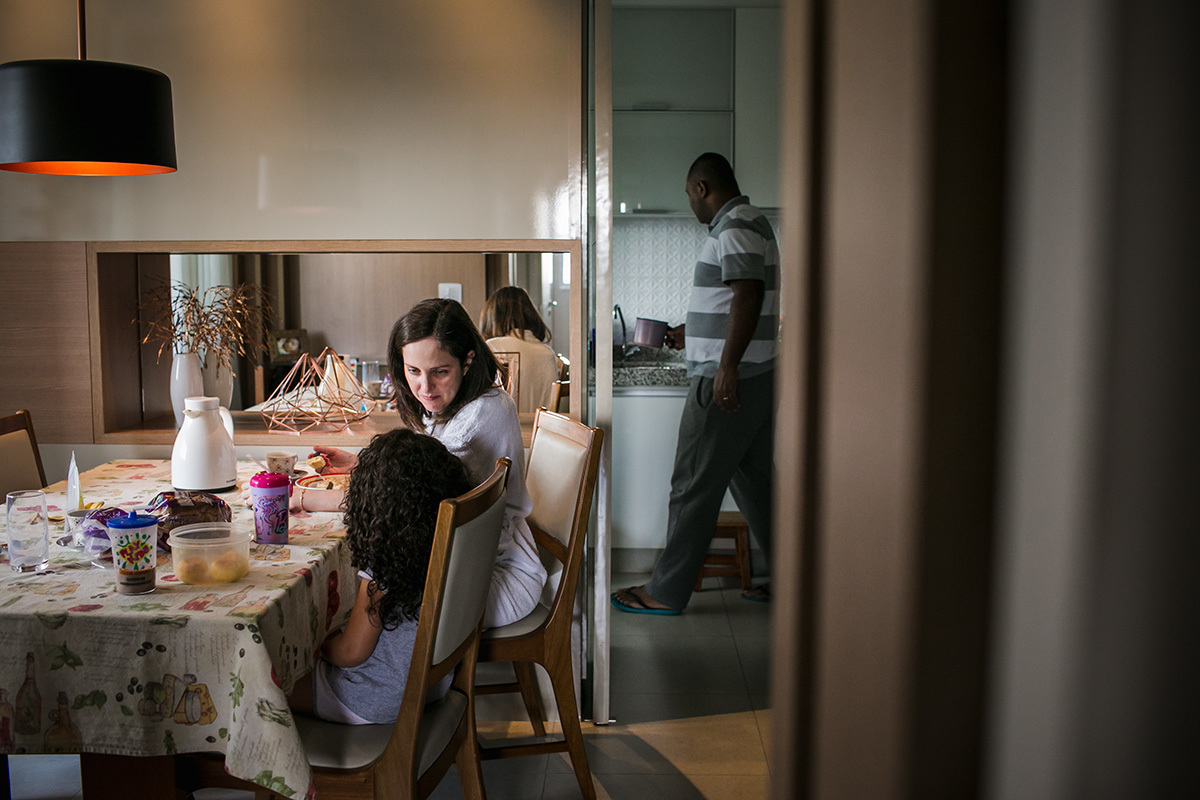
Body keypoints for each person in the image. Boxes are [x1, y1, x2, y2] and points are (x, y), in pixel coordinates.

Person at [298, 298, 547, 629]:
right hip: (471, 560)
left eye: (440, 372)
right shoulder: (458, 403)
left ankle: (356, 669)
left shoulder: (477, 419)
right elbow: (416, 476)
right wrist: (357, 464)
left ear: (468, 361)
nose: (424, 387)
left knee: (356, 607)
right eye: (413, 371)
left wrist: (302, 497)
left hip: (496, 576)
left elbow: (405, 502)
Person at [611, 152, 778, 614]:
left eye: (689, 195)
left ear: (702, 188)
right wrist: (693, 335)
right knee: (760, 487)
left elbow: (747, 292)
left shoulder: (735, 225)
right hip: (757, 378)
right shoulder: (751, 221)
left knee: (691, 486)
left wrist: (725, 363)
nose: (691, 204)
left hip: (729, 381)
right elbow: (738, 299)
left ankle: (665, 591)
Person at [288, 428, 473, 724]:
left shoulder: (387, 564)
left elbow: (351, 653)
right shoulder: (446, 544)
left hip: (372, 698)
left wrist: (320, 644)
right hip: (432, 685)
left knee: (271, 687)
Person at [479, 285, 563, 413]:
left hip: (503, 429)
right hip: (540, 430)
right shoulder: (547, 353)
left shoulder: (493, 347)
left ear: (492, 317)